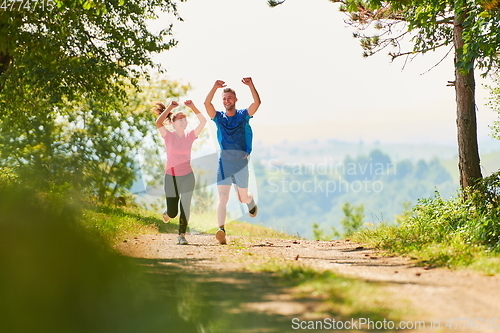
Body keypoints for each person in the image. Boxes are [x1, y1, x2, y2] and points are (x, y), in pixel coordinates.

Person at [204, 77, 261, 245]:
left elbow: (257, 103)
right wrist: (214, 87)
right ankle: (221, 230)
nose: (226, 101)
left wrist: (251, 85)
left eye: (229, 98)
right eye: (224, 99)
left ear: (235, 100)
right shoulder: (219, 118)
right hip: (224, 162)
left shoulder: (243, 115)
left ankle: (250, 201)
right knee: (223, 197)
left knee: (242, 197)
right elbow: (207, 104)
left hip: (241, 163)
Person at [151, 100, 207, 245]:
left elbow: (203, 121)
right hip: (171, 178)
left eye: (185, 119)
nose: (183, 121)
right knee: (173, 212)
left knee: (185, 206)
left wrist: (193, 106)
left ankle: (181, 236)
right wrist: (170, 107)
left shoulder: (190, 136)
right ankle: (168, 212)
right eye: (180, 119)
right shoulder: (168, 136)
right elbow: (158, 122)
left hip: (188, 176)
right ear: (173, 123)